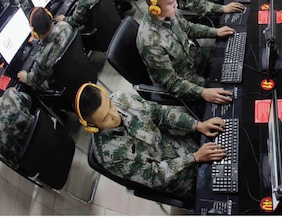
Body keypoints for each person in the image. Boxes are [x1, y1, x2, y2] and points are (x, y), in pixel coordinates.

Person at [75, 84, 227, 199]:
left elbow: (160, 113)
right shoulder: (109, 156)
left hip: (187, 145)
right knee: (232, 188)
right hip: (181, 179)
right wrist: (195, 157)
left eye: (110, 105)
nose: (115, 115)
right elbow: (155, 177)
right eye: (105, 118)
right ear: (93, 127)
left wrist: (197, 125)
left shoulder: (121, 99)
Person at [136, 0, 236, 104]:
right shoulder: (150, 42)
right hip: (183, 80)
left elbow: (188, 28)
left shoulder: (168, 13)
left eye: (175, 0)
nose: (176, 5)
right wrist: (203, 92)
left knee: (230, 56)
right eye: (171, 3)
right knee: (228, 89)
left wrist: (215, 32)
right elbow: (171, 83)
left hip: (190, 57)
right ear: (155, 8)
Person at [0, 79, 34, 169]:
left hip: (34, 162)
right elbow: (29, 101)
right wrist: (16, 94)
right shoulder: (10, 95)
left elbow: (12, 161)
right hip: (48, 134)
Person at [17, 7, 72, 91]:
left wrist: (25, 77)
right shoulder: (64, 25)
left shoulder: (41, 59)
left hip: (62, 85)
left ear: (35, 33)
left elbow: (34, 81)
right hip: (75, 69)